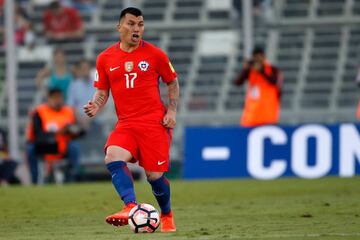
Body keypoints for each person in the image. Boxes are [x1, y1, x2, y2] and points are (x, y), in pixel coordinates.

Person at [83, 7, 179, 232]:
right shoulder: (105, 58)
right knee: (112, 156)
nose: (136, 29)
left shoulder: (156, 54)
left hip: (154, 123)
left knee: (154, 177)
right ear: (119, 27)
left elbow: (172, 82)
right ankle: (130, 206)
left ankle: (166, 214)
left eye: (140, 24)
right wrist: (96, 104)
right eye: (131, 24)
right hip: (126, 123)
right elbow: (102, 90)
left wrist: (172, 111)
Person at [26, 88, 82, 184]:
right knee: (30, 149)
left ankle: (72, 178)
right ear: (49, 99)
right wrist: (58, 132)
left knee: (74, 146)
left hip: (64, 145)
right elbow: (37, 134)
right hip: (46, 145)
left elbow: (80, 132)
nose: (57, 100)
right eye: (55, 98)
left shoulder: (69, 111)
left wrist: (73, 130)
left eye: (59, 98)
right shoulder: (39, 112)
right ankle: (34, 181)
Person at [234, 46, 282, 127]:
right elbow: (237, 82)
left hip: (268, 117)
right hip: (251, 117)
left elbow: (274, 82)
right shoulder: (250, 71)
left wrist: (261, 71)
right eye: (255, 58)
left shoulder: (273, 69)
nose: (258, 61)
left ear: (264, 57)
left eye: (259, 57)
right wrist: (245, 69)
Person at [67, 59, 96, 130]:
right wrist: (80, 119)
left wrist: (89, 119)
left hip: (95, 120)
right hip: (78, 120)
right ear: (79, 70)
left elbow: (102, 105)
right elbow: (71, 106)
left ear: (90, 69)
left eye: (86, 68)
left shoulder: (98, 85)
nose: (85, 70)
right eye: (82, 68)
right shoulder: (74, 85)